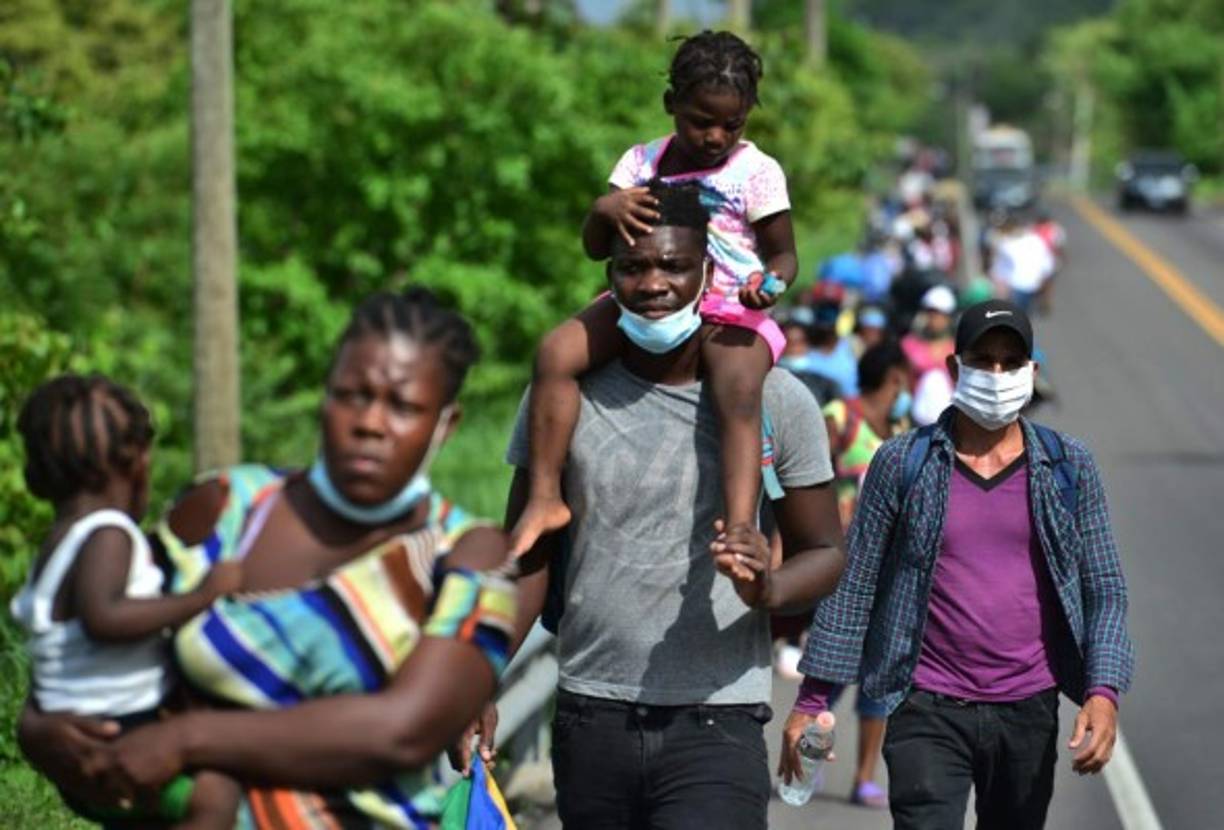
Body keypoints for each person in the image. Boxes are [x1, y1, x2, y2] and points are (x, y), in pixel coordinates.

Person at [18, 288, 519, 828]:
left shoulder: (468, 554)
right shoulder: (226, 508)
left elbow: (401, 731)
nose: (370, 423)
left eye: (402, 406)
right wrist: (38, 727)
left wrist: (186, 740)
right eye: (351, 394)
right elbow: (108, 636)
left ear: (446, 424)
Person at [497, 182, 845, 829]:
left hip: (719, 720)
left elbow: (825, 554)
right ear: (609, 277)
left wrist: (768, 588)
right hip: (589, 713)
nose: (653, 284)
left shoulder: (778, 398)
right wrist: (478, 676)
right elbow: (526, 553)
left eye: (674, 266)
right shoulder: (562, 398)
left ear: (708, 272)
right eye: (633, 267)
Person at [783, 299, 1135, 830]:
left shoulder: (1068, 467)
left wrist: (1102, 693)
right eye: (982, 360)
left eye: (1010, 363)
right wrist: (812, 699)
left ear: (1031, 374)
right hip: (926, 703)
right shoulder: (904, 462)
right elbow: (855, 583)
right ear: (954, 369)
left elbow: (1103, 588)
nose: (997, 375)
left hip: (1027, 708)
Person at [513, 30, 798, 560]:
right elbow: (598, 249)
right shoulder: (639, 164)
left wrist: (770, 284)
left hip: (730, 305)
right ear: (672, 105)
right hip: (645, 297)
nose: (715, 136)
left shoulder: (756, 173)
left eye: (731, 125)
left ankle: (739, 525)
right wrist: (604, 210)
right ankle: (546, 495)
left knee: (737, 389)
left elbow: (784, 254)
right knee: (555, 353)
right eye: (700, 120)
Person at [10, 374, 243, 828]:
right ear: (136, 464)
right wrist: (202, 596)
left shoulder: (59, 542)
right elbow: (105, 616)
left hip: (74, 750)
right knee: (215, 796)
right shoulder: (108, 535)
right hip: (122, 737)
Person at [814, 341, 912, 808]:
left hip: (889, 568)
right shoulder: (839, 417)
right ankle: (808, 761)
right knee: (831, 671)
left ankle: (864, 777)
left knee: (880, 676)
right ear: (893, 377)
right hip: (841, 564)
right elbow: (803, 479)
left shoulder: (901, 430)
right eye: (904, 380)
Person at [991, 215, 1055, 313]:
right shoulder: (1035, 240)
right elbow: (1047, 266)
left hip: (1016, 286)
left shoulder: (1006, 244)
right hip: (1029, 285)